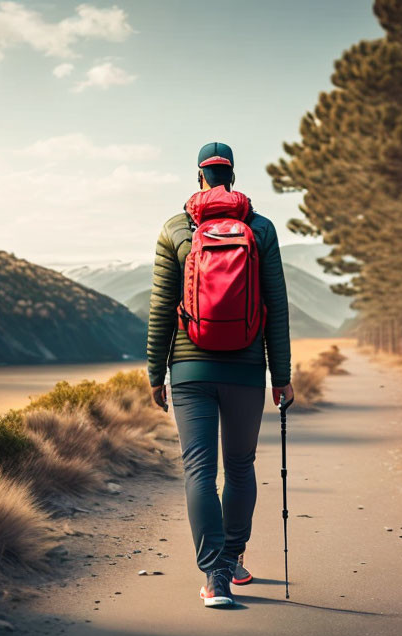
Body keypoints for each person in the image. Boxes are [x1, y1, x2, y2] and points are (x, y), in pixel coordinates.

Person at [147, 142, 293, 607]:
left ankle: (214, 579)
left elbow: (160, 310)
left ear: (199, 177)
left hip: (189, 368)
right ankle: (231, 560)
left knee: (199, 471)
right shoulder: (261, 228)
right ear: (231, 175)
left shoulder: (175, 228)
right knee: (241, 467)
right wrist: (281, 376)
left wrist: (156, 371)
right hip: (247, 369)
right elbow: (277, 308)